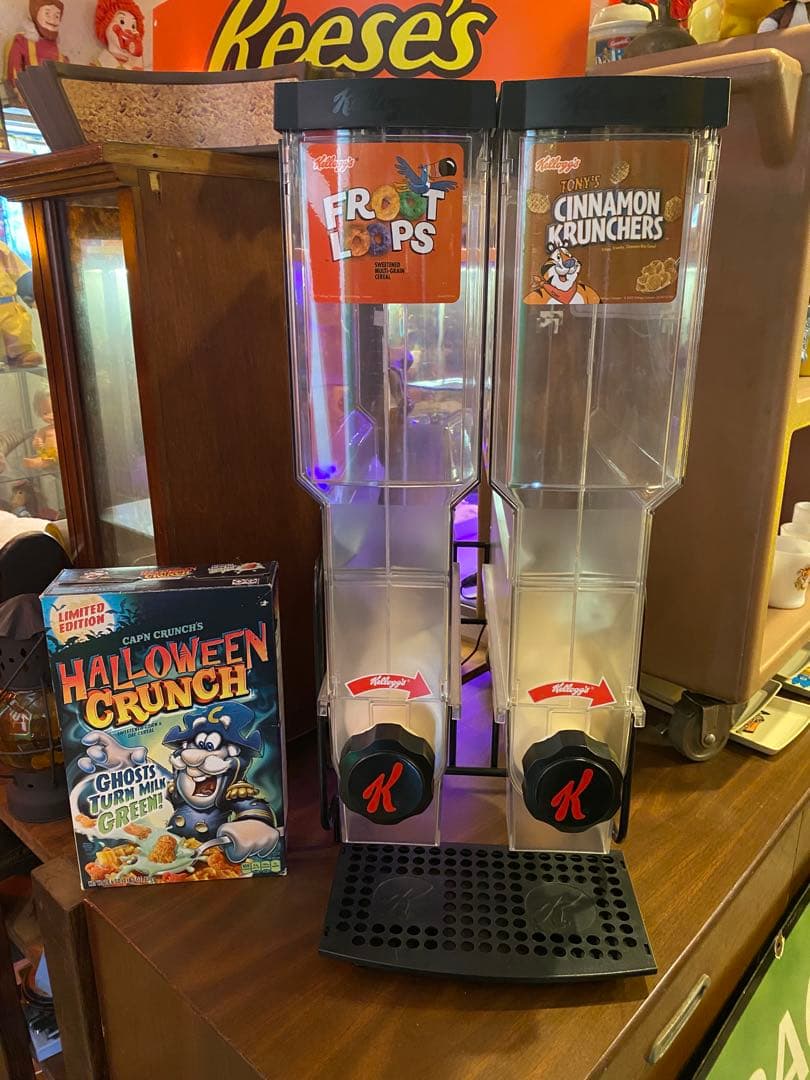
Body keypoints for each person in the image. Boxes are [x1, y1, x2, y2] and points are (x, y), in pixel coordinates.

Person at [5, 0, 68, 90]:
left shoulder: (58, 51)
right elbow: (14, 77)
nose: (53, 20)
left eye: (57, 16)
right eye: (47, 13)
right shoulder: (22, 42)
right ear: (35, 13)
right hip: (32, 94)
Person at [0, 241, 42, 368]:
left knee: (15, 326)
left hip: (7, 308)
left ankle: (20, 354)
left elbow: (21, 274)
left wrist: (36, 298)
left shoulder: (2, 250)